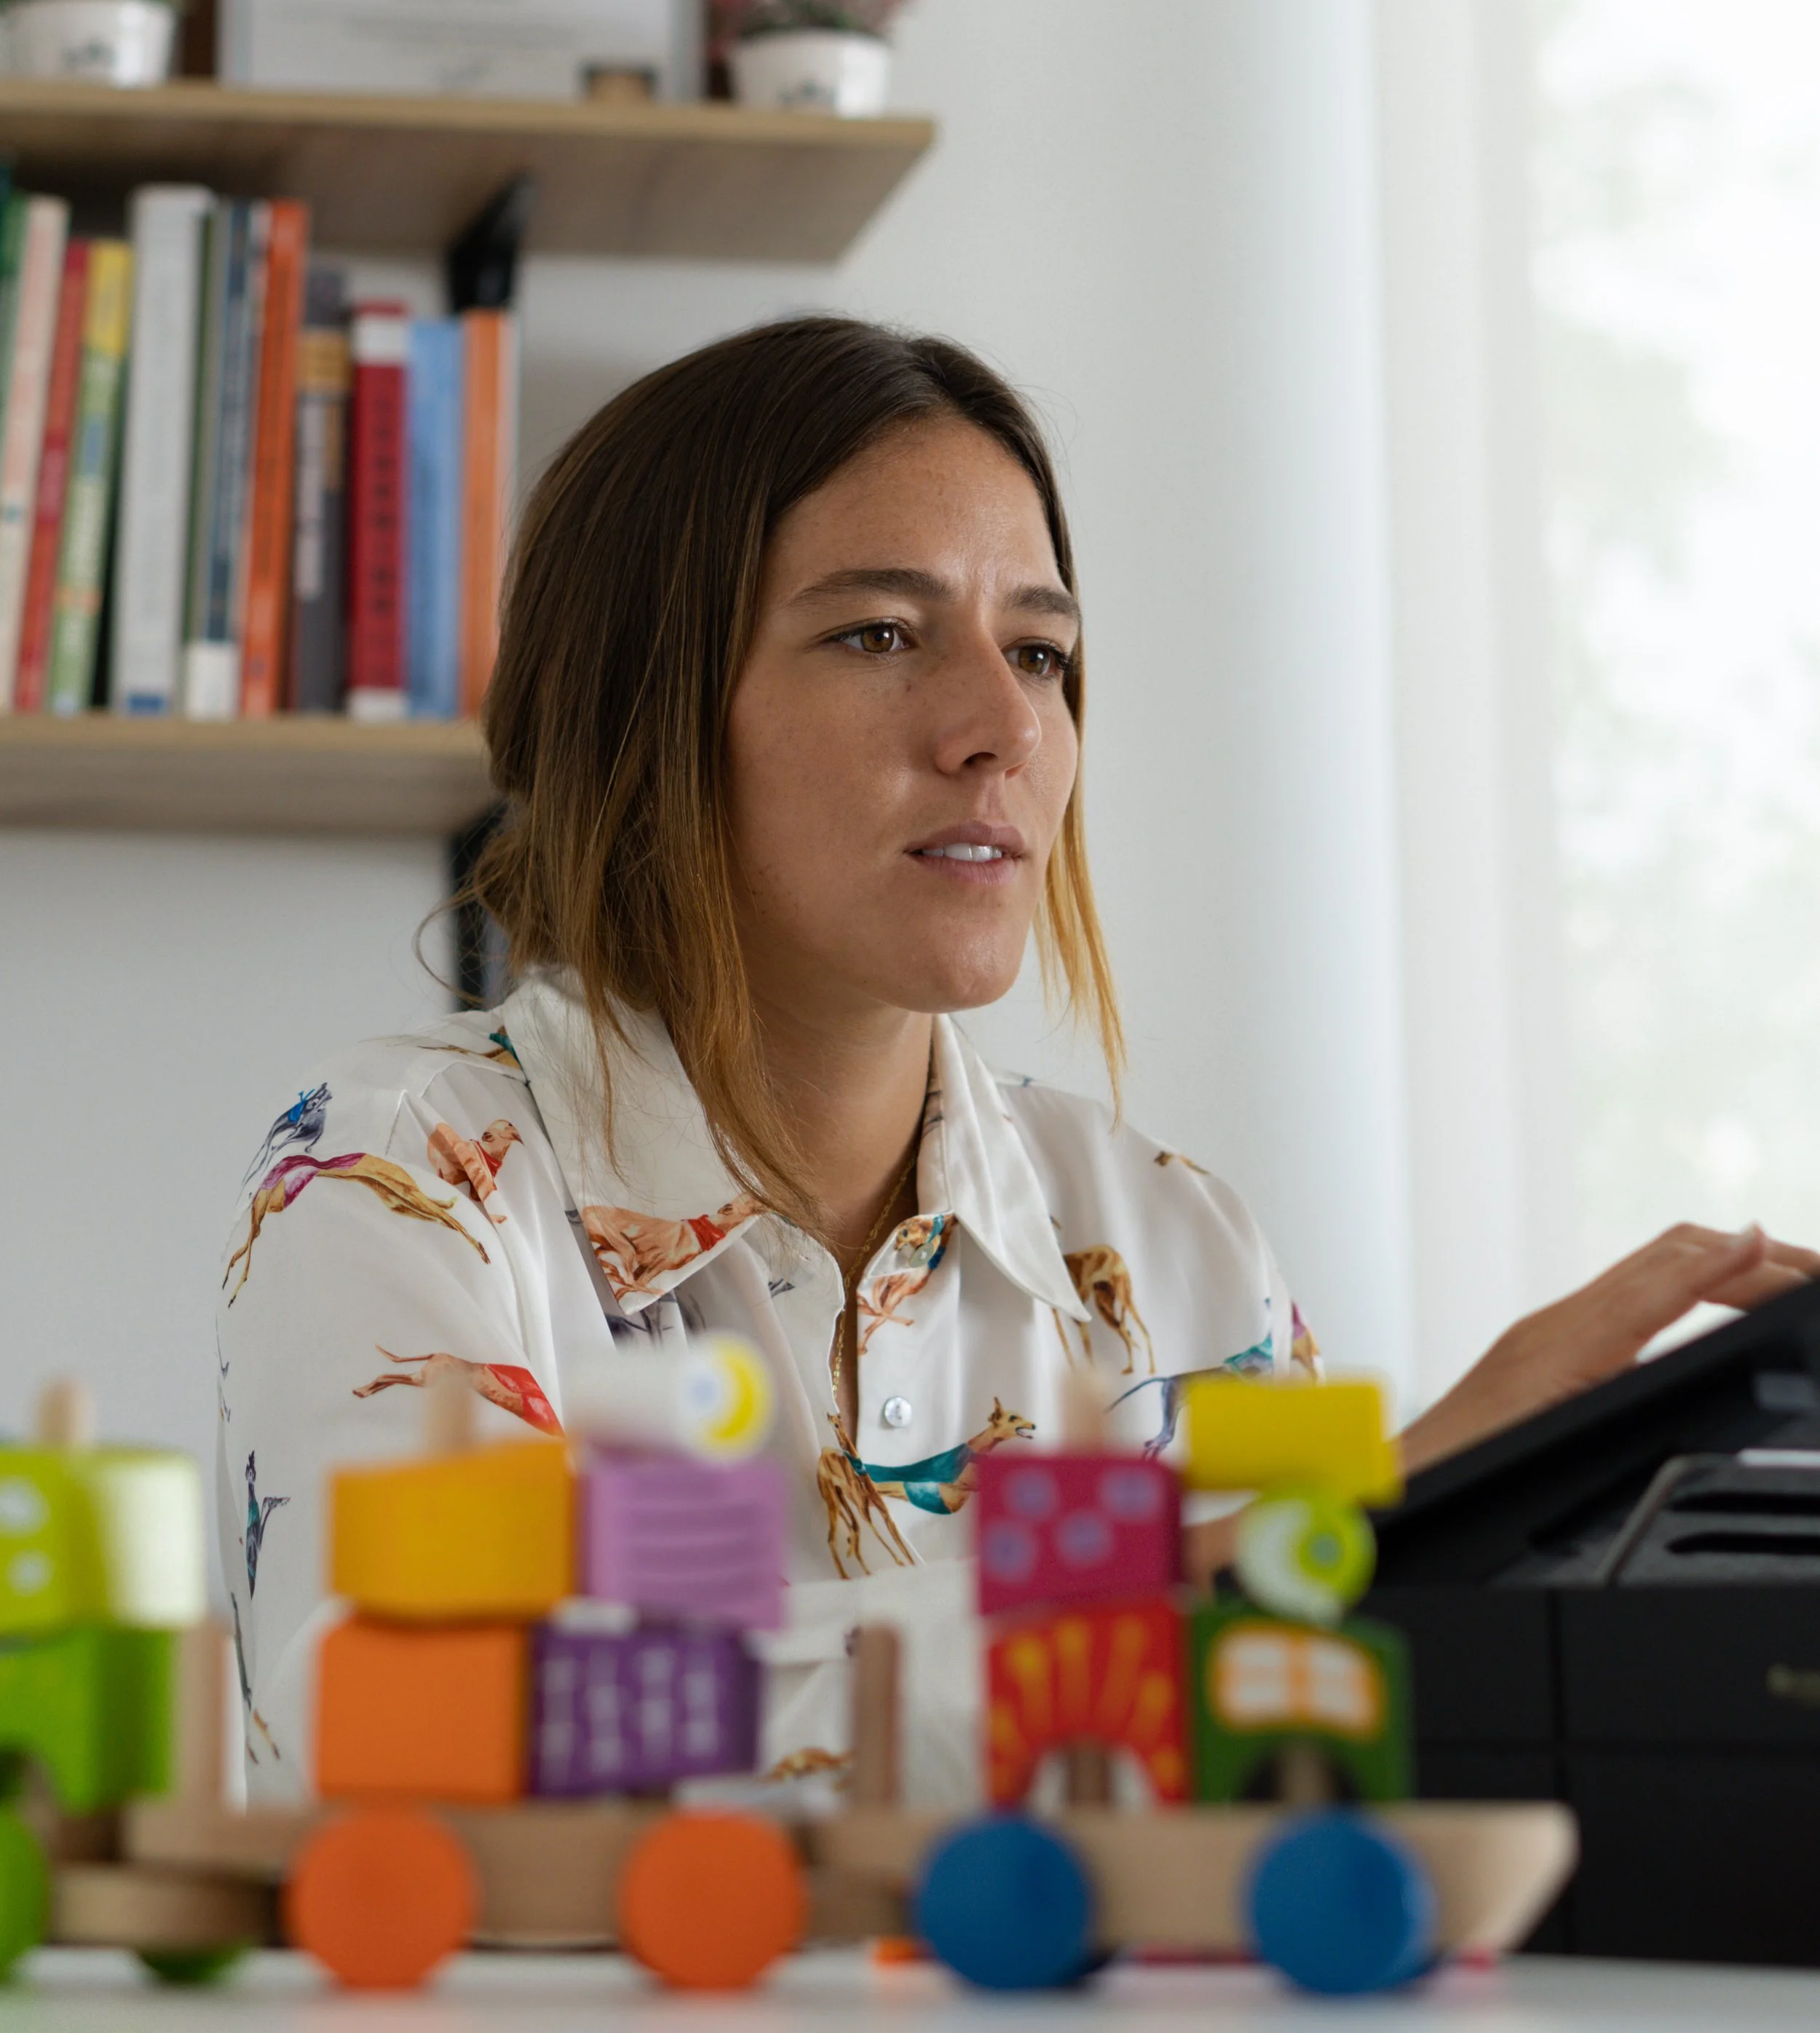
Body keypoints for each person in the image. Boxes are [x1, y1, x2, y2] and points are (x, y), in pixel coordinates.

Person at [218, 317, 1817, 1799]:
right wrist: (1233, 1568)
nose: (999, 724)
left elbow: (1331, 1709)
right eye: (877, 633)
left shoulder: (1179, 1244)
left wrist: (1554, 1508)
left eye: (1041, 653)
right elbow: (414, 1729)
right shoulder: (396, 1179)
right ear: (642, 705)